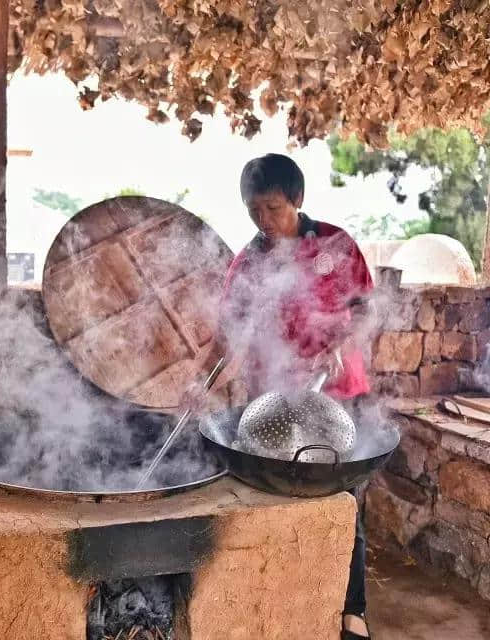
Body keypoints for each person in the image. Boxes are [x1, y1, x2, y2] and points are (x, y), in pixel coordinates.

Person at [184, 154, 375, 639]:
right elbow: (227, 336)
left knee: (340, 500)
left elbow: (366, 311)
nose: (263, 222)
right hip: (272, 402)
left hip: (334, 394)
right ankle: (287, 604)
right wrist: (199, 381)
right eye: (253, 211)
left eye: (272, 208)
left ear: (297, 200)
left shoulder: (336, 244)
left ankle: (353, 610)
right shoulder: (248, 262)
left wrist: (342, 345)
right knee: (273, 502)